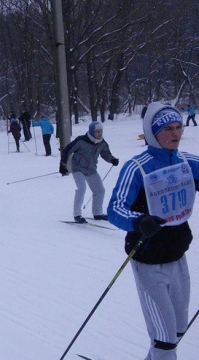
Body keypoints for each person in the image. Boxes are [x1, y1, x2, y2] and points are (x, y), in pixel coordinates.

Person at [107, 102, 199, 360]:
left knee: (178, 331)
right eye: (168, 128)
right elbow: (115, 208)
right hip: (148, 262)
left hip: (178, 257)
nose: (175, 134)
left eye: (178, 127)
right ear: (152, 133)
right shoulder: (137, 167)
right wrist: (139, 222)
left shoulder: (186, 161)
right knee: (164, 340)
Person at [59, 121, 119, 223]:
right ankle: (77, 215)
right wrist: (63, 165)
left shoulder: (102, 143)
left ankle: (97, 213)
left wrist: (112, 160)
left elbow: (106, 154)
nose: (99, 134)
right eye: (97, 131)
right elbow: (68, 150)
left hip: (91, 169)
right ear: (92, 131)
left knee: (100, 191)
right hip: (78, 168)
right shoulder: (81, 140)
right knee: (81, 189)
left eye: (101, 131)